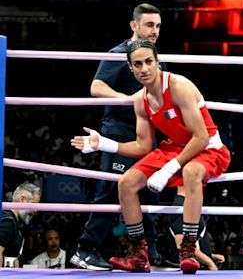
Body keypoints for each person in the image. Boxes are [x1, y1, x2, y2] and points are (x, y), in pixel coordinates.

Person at [71, 39, 231, 274]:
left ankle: (187, 248)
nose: (144, 68)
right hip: (174, 148)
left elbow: (200, 137)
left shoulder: (179, 86)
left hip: (207, 148)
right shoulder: (140, 100)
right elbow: (143, 146)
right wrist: (104, 144)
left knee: (190, 171)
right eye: (138, 64)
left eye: (148, 62)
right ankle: (139, 253)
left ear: (158, 63)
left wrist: (167, 170)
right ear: (130, 68)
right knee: (126, 182)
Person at [70, 3, 171, 271]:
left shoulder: (156, 57)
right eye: (150, 25)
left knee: (147, 190)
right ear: (134, 25)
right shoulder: (119, 54)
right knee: (110, 189)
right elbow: (96, 86)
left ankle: (150, 253)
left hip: (148, 133)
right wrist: (128, 100)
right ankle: (85, 249)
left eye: (158, 26)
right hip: (120, 129)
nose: (155, 31)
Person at [167, 186, 225, 270]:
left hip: (196, 268)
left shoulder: (190, 204)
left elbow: (193, 242)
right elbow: (181, 244)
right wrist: (209, 262)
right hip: (188, 270)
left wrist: (210, 255)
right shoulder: (181, 205)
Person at [0, 182, 41, 267]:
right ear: (22, 199)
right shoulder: (7, 222)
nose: (35, 211)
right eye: (34, 204)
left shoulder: (18, 222)